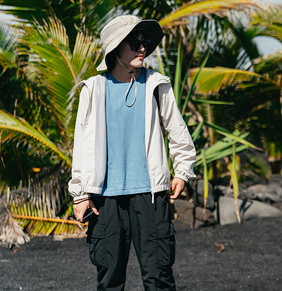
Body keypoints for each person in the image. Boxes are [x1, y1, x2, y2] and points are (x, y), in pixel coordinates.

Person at [68, 15, 196, 291]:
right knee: (110, 279)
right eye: (134, 42)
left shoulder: (155, 84)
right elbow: (82, 147)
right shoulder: (94, 89)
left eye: (144, 42)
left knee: (159, 278)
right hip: (106, 199)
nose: (142, 48)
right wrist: (80, 194)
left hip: (150, 195)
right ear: (115, 48)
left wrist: (182, 171)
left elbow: (178, 132)